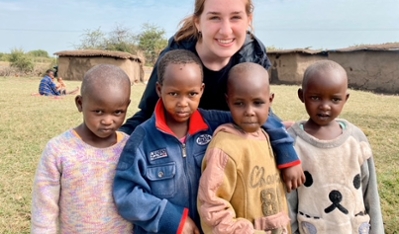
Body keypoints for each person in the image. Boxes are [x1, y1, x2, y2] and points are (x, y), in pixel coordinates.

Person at [120, 0, 304, 190]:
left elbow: (257, 109)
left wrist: (284, 144)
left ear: (248, 20)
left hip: (231, 148)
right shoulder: (175, 58)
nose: (226, 30)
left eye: (235, 17)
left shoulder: (253, 55)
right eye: (214, 17)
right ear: (198, 21)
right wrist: (113, 141)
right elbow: (149, 115)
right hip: (183, 158)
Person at [113, 50, 294, 234]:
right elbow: (126, 193)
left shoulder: (215, 124)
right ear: (159, 90)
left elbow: (256, 115)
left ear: (202, 90)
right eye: (174, 94)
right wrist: (172, 219)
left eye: (191, 94)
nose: (183, 103)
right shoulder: (143, 138)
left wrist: (287, 151)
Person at [31, 64, 134, 233]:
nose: (108, 120)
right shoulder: (59, 150)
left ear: (127, 106)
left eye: (117, 112)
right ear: (80, 103)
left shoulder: (130, 147)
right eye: (99, 111)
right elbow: (44, 206)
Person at [286, 60, 384, 234]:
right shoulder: (293, 142)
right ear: (302, 95)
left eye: (335, 99)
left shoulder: (356, 139)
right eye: (315, 97)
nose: (325, 106)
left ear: (345, 99)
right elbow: (289, 200)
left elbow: (370, 190)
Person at [198, 62, 290, 234]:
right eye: (239, 103)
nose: (249, 111)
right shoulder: (224, 148)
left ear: (270, 101)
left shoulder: (267, 137)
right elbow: (212, 209)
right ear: (228, 101)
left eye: (258, 103)